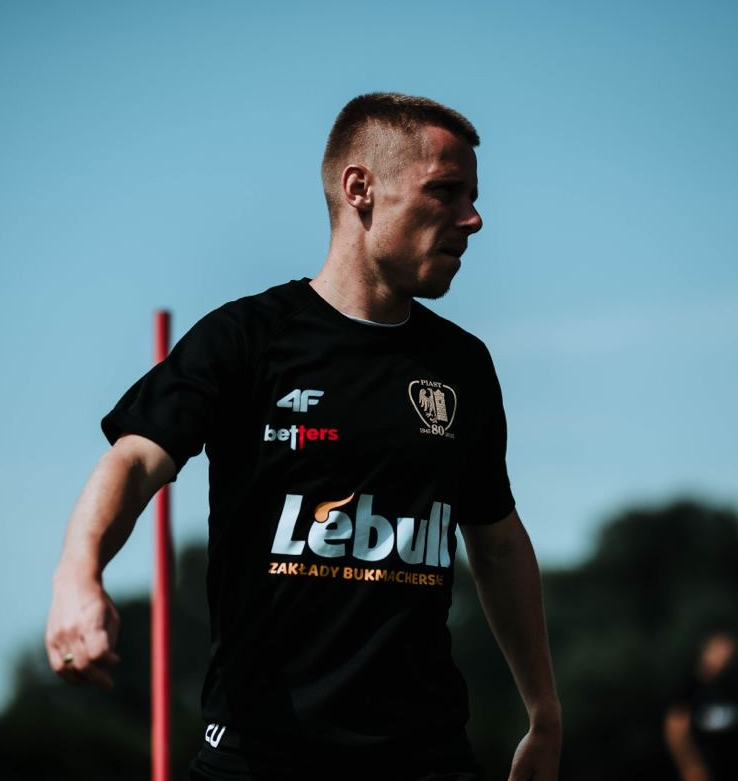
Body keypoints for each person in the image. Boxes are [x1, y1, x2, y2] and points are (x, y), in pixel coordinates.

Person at [45, 93, 562, 781]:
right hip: (256, 758)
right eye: (445, 191)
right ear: (360, 189)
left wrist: (544, 712)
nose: (473, 218)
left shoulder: (462, 366)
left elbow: (497, 544)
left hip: (425, 759)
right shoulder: (247, 338)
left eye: (473, 196)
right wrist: (77, 577)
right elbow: (136, 459)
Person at [665, 629, 738, 781]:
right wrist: (689, 766)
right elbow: (676, 729)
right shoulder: (690, 686)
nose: (723, 658)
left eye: (728, 653)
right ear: (706, 652)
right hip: (704, 768)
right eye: (719, 652)